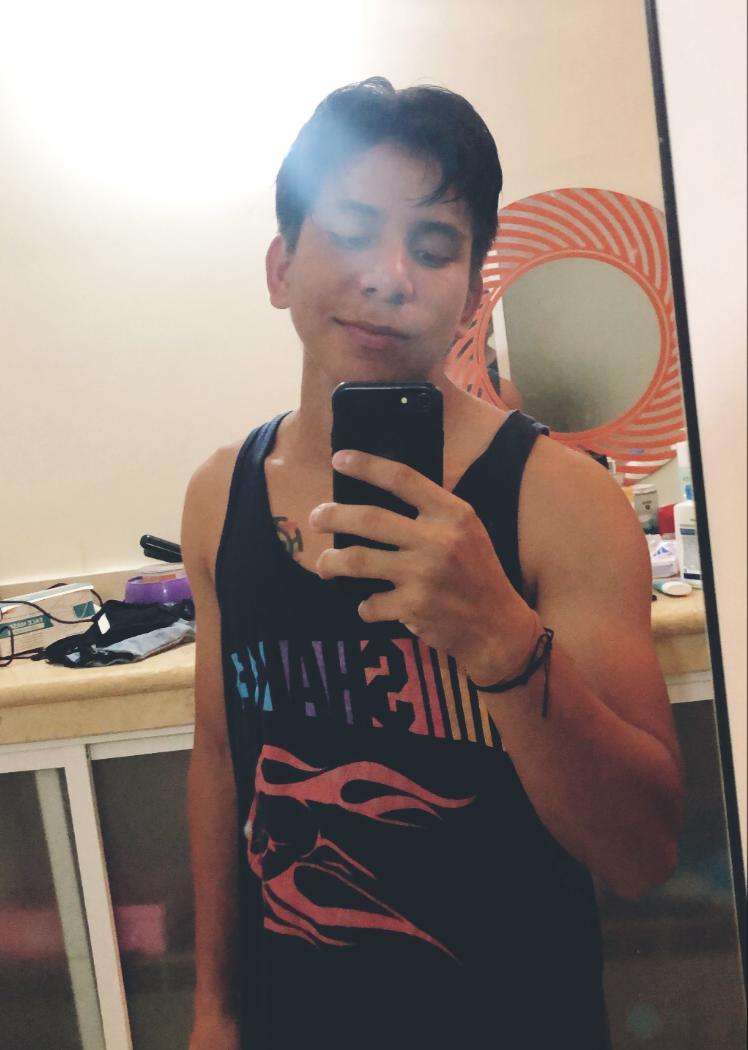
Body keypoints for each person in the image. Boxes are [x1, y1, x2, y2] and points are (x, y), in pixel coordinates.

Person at [182, 78, 683, 1050]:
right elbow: (219, 761)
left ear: (471, 297)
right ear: (281, 266)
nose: (389, 275)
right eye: (351, 231)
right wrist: (216, 1008)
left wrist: (500, 637)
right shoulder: (219, 496)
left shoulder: (561, 500)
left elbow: (641, 852)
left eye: (434, 245)